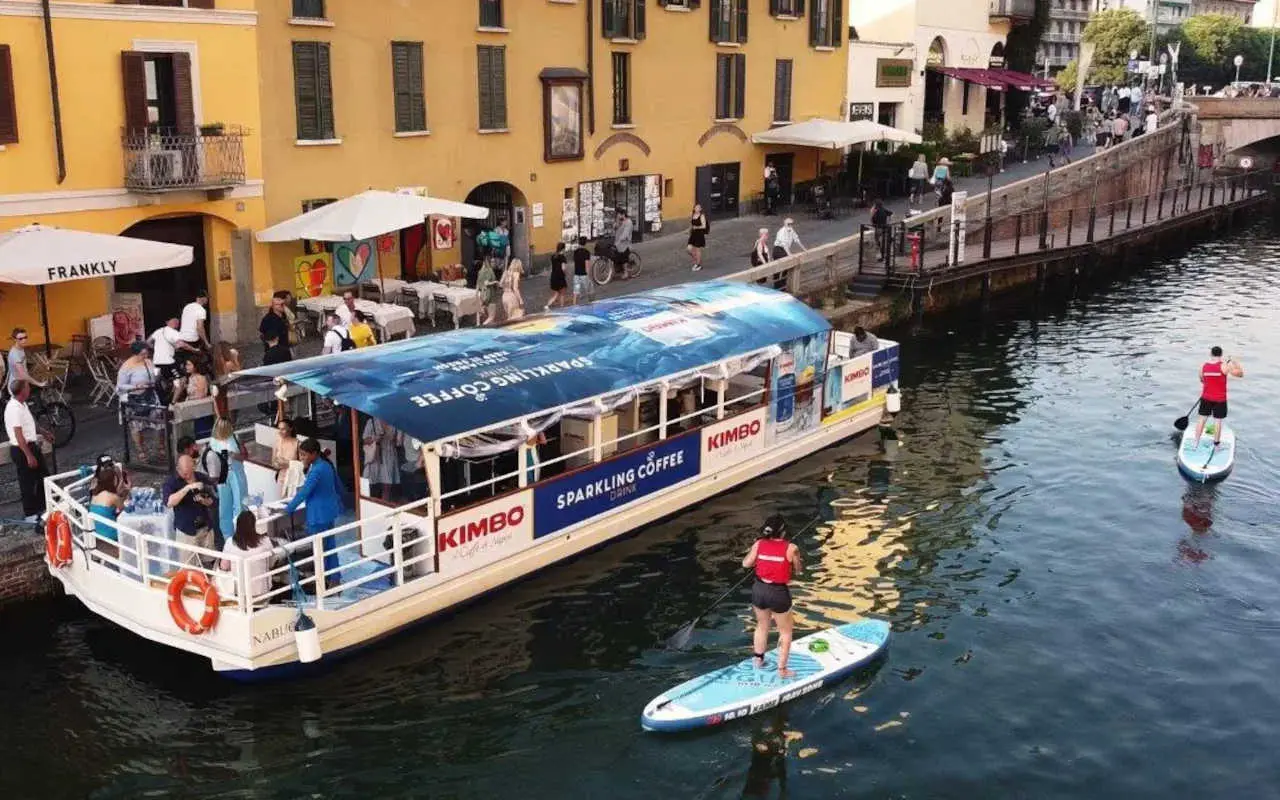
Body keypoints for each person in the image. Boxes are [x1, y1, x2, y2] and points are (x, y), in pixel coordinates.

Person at [741, 515, 802, 678]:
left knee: (762, 626)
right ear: (783, 532)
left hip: (759, 589)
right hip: (778, 592)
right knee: (786, 632)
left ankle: (758, 660)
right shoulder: (791, 547)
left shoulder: (758, 543)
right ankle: (782, 670)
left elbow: (746, 564)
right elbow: (798, 570)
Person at [285, 438, 344, 583]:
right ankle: (335, 578)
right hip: (329, 512)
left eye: (304, 455)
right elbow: (339, 487)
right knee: (330, 546)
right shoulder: (326, 466)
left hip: (318, 515)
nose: (302, 458)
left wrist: (288, 509)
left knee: (319, 551)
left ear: (314, 454)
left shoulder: (316, 470)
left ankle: (322, 581)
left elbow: (305, 492)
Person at [164, 454, 217, 565]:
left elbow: (214, 501)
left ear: (193, 466)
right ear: (178, 469)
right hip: (187, 532)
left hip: (205, 527)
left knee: (209, 562)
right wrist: (188, 488)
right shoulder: (172, 482)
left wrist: (205, 501)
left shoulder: (202, 478)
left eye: (189, 472)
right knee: (189, 567)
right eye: (184, 473)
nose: (186, 475)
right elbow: (169, 502)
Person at [5, 380, 48, 519]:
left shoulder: (22, 405)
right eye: (27, 387)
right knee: (27, 483)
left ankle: (42, 506)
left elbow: (30, 423)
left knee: (43, 477)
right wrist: (29, 455)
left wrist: (43, 432)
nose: (29, 389)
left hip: (30, 445)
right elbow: (18, 434)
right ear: (22, 390)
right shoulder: (14, 408)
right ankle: (30, 513)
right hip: (22, 449)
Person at [219, 510, 276, 604]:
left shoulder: (230, 542)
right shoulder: (265, 541)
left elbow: (224, 567)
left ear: (237, 525)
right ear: (254, 525)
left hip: (240, 595)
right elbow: (271, 563)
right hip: (262, 593)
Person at [207, 417, 249, 541]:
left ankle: (242, 532)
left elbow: (244, 456)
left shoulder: (235, 438)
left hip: (236, 472)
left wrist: (233, 455)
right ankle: (228, 537)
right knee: (224, 506)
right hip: (223, 473)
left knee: (240, 503)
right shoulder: (213, 441)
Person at [1192, 346, 1244, 447]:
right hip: (1220, 400)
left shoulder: (1203, 366)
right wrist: (1235, 362)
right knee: (1217, 421)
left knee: (1202, 419)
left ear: (1211, 354)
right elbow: (1240, 374)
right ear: (1221, 355)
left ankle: (1196, 442)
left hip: (1206, 397)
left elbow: (1202, 380)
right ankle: (1216, 444)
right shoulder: (1224, 366)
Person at [89, 455, 131, 569]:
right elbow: (124, 510)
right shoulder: (112, 497)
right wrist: (128, 488)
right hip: (111, 535)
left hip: (97, 532)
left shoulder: (95, 494)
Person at [362, 417, 402, 502]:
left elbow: (398, 443)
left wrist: (398, 439)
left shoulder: (395, 422)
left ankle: (384, 504)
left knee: (387, 484)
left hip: (389, 454)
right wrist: (374, 438)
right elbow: (365, 440)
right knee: (371, 482)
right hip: (375, 455)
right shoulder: (371, 421)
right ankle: (370, 504)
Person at [149, 318, 193, 388]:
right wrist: (194, 349)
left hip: (156, 363)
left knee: (159, 381)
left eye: (177, 322)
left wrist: (156, 349)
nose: (176, 324)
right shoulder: (174, 332)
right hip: (168, 362)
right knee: (181, 379)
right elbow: (182, 344)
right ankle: (174, 399)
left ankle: (164, 396)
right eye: (175, 322)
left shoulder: (158, 331)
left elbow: (148, 342)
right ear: (167, 322)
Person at [259, 292, 293, 366]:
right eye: (280, 305)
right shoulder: (268, 318)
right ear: (273, 306)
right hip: (273, 350)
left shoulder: (283, 316)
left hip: (285, 348)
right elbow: (262, 331)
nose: (283, 306)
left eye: (284, 304)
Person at [271, 417, 301, 496]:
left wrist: (288, 464)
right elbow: (273, 462)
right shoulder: (277, 443)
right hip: (281, 478)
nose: (280, 432)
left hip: (294, 478)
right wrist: (277, 465)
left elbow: (303, 464)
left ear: (290, 429)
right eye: (279, 429)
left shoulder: (297, 443)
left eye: (283, 429)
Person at [6, 328, 42, 394]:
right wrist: (39, 384)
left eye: (25, 337)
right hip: (16, 388)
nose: (24, 340)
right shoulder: (15, 354)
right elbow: (23, 374)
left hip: (22, 383)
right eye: (20, 339)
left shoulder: (20, 348)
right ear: (15, 339)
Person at [179, 290, 210, 356]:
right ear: (203, 298)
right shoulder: (201, 310)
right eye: (207, 298)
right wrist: (206, 342)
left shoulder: (187, 307)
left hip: (182, 338)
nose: (207, 300)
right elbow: (199, 328)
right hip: (192, 340)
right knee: (196, 360)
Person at [477, 254, 501, 325]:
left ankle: (490, 330)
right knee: (491, 317)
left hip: (483, 294)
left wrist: (478, 295)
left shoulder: (480, 271)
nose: (494, 263)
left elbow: (478, 284)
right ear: (489, 262)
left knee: (489, 316)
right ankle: (482, 328)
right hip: (490, 294)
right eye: (493, 262)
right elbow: (486, 283)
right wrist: (496, 282)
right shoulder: (489, 271)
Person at [546, 242, 569, 309]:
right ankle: (562, 308)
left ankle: (547, 305)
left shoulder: (553, 256)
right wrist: (565, 273)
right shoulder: (562, 257)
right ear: (563, 249)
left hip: (553, 276)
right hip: (560, 277)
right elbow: (563, 268)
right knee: (562, 294)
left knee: (556, 294)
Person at [611, 210, 634, 276]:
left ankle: (626, 273)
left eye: (619, 215)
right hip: (618, 243)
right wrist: (618, 222)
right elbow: (614, 228)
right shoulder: (620, 222)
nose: (618, 216)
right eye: (617, 216)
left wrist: (621, 239)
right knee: (615, 256)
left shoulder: (628, 222)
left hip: (625, 243)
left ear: (623, 214)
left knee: (624, 257)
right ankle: (618, 269)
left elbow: (626, 234)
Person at [687, 203, 708, 272]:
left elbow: (704, 226)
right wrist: (690, 230)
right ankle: (697, 261)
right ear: (694, 208)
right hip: (693, 234)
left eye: (699, 208)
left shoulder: (702, 216)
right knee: (689, 249)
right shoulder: (693, 215)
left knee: (697, 249)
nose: (697, 209)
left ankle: (698, 264)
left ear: (700, 209)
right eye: (696, 207)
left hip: (699, 234)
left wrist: (696, 227)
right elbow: (691, 224)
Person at [572, 236, 592, 305]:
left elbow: (575, 262)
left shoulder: (575, 252)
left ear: (579, 243)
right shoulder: (587, 252)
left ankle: (574, 305)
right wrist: (588, 276)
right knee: (588, 290)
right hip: (584, 275)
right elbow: (587, 265)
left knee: (576, 291)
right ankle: (590, 303)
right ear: (585, 243)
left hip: (576, 274)